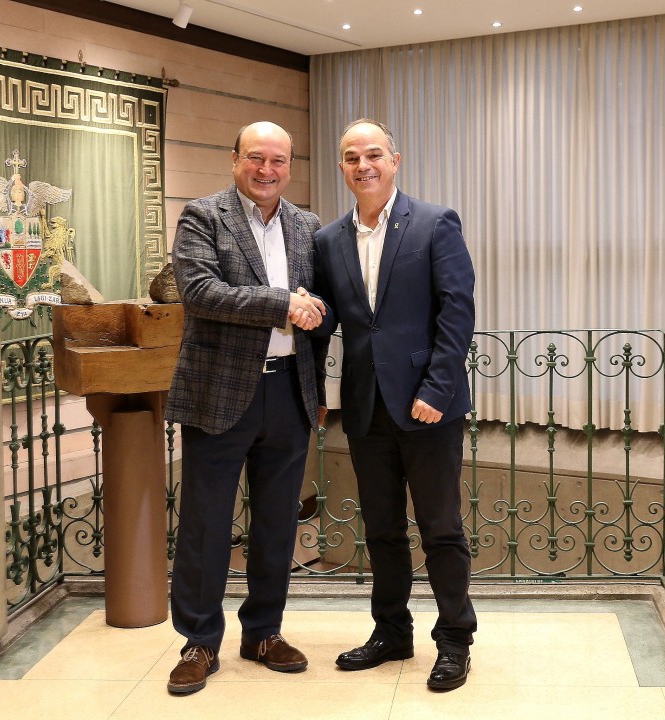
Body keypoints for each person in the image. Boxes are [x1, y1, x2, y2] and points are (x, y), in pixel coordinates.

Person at [311, 118, 477, 691]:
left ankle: (454, 640)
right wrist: (314, 376)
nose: (364, 165)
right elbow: (329, 320)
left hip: (429, 407)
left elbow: (457, 311)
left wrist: (436, 389)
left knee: (441, 528)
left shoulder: (435, 222)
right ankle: (391, 633)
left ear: (395, 160)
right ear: (342, 168)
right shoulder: (328, 240)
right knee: (381, 530)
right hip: (366, 408)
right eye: (352, 157)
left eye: (374, 154)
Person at [165, 121, 328, 696]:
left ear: (290, 167)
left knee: (278, 522)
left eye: (278, 161)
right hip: (219, 392)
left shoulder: (307, 226)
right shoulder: (202, 216)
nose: (266, 170)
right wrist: (284, 304)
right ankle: (199, 641)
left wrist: (317, 382)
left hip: (288, 393)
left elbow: (319, 306)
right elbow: (201, 293)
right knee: (206, 523)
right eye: (256, 158)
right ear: (234, 159)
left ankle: (263, 632)